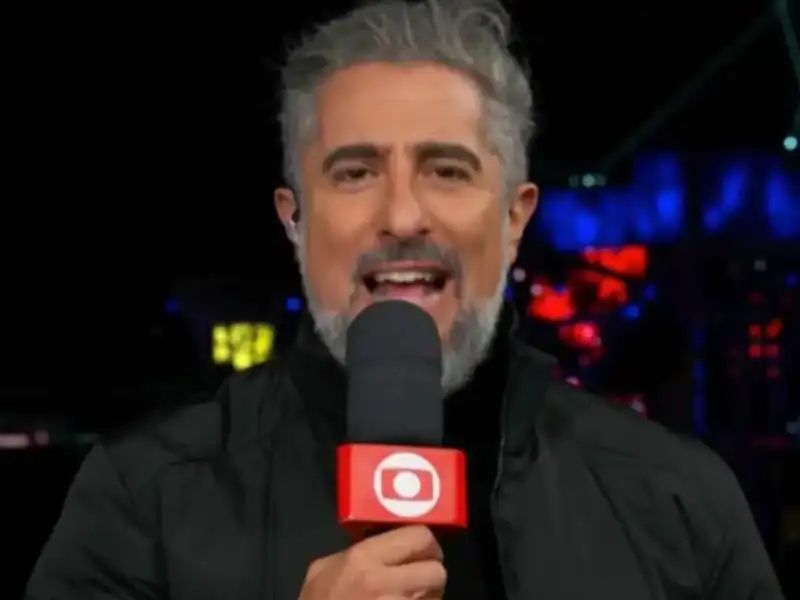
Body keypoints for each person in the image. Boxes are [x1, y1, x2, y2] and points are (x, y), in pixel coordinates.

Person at [27, 0, 784, 598]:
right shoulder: (142, 502)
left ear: (514, 217)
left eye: (446, 170)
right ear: (294, 220)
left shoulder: (679, 500)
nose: (401, 216)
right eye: (355, 172)